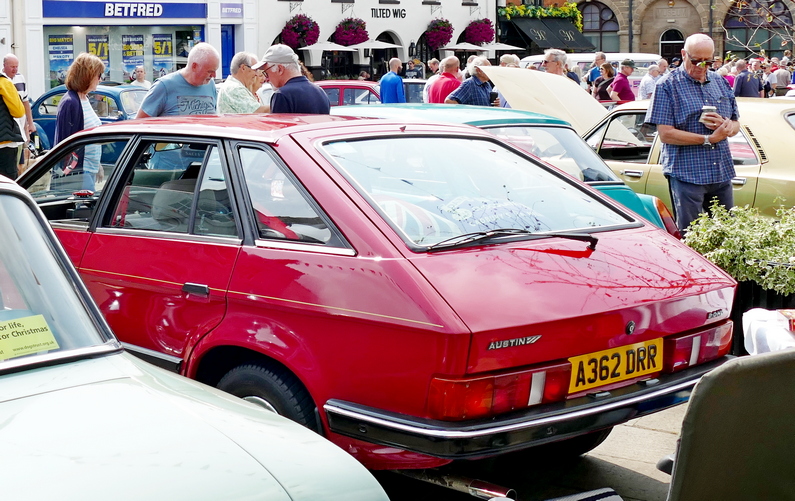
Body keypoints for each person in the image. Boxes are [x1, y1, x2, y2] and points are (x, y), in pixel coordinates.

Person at [646, 33, 740, 234]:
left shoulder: (720, 82)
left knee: (728, 234)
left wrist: (727, 126)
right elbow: (666, 134)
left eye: (708, 61)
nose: (702, 66)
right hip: (687, 174)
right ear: (683, 54)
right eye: (696, 60)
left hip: (720, 170)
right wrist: (707, 139)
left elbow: (736, 124)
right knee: (693, 234)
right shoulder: (667, 85)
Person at [53, 53, 104, 190]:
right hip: (78, 173)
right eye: (98, 75)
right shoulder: (71, 102)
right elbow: (64, 144)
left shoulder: (84, 99)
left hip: (88, 169)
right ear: (88, 75)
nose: (100, 79)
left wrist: (97, 164)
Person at [136, 42, 219, 118]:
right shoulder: (164, 86)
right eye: (210, 71)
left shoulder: (210, 85)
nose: (214, 76)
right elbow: (139, 124)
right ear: (194, 66)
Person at [252, 44, 329, 114]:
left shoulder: (282, 95)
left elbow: (279, 127)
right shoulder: (320, 92)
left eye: (266, 73)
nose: (266, 79)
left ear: (280, 69)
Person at [3, 54, 34, 173]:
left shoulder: (20, 78)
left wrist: (30, 124)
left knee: (21, 164)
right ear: (4, 66)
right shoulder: (3, 81)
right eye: (12, 67)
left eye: (16, 66)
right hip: (9, 133)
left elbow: (26, 103)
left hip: (20, 130)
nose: (15, 69)